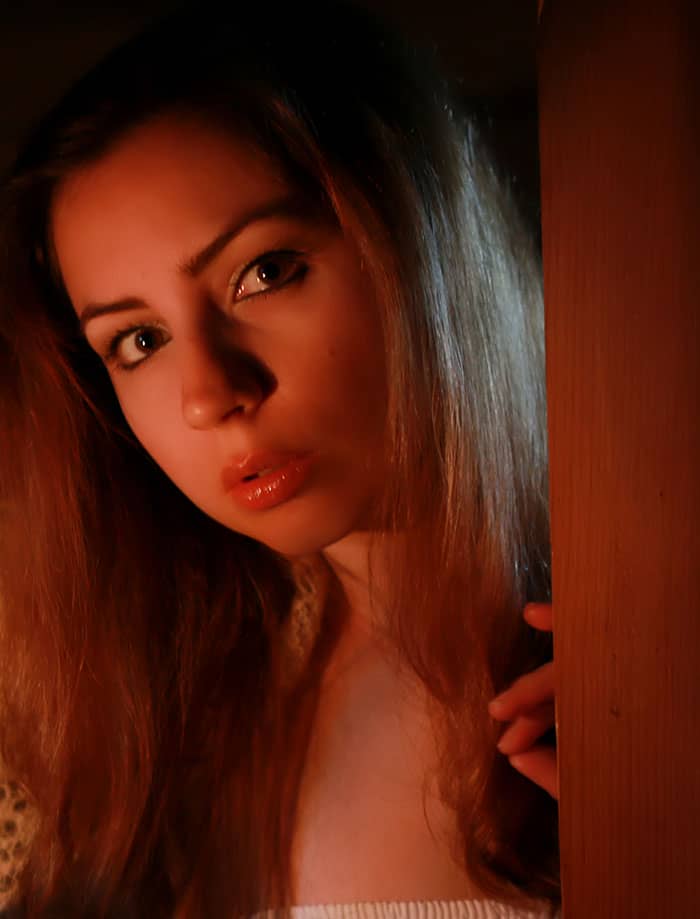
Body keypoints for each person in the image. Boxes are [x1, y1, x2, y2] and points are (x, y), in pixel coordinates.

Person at [0, 1, 559, 915]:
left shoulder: (640, 660)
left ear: (418, 239)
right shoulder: (162, 737)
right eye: (139, 340)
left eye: (263, 272)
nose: (208, 393)